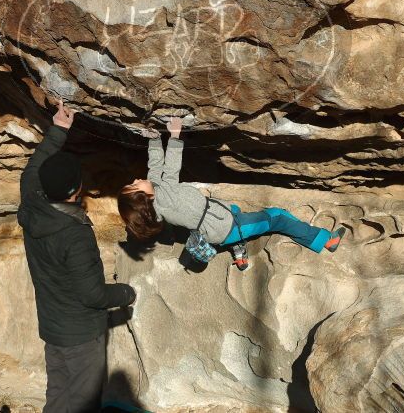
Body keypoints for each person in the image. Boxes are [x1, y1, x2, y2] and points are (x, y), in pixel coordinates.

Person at [18, 100, 137, 413]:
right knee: (82, 405)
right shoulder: (74, 233)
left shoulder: (31, 201)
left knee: (57, 396)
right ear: (77, 189)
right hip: (82, 336)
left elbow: (34, 168)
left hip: (53, 328)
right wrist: (127, 293)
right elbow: (93, 294)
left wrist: (58, 130)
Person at [117, 116, 347, 270]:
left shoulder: (157, 201)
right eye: (135, 185)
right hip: (223, 225)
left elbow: (154, 171)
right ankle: (325, 240)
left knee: (235, 210)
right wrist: (175, 136)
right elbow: (169, 170)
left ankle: (239, 254)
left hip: (217, 221)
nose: (137, 179)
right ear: (144, 197)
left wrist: (155, 139)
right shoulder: (165, 197)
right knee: (278, 217)